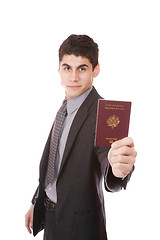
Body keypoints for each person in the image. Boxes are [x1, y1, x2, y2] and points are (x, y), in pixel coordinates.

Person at [25, 34, 137, 240]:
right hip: (50, 218)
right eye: (67, 68)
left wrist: (118, 171)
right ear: (59, 70)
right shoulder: (64, 109)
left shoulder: (105, 114)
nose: (73, 77)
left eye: (82, 69)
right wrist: (37, 201)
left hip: (81, 227)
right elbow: (55, 161)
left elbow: (110, 161)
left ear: (96, 70)